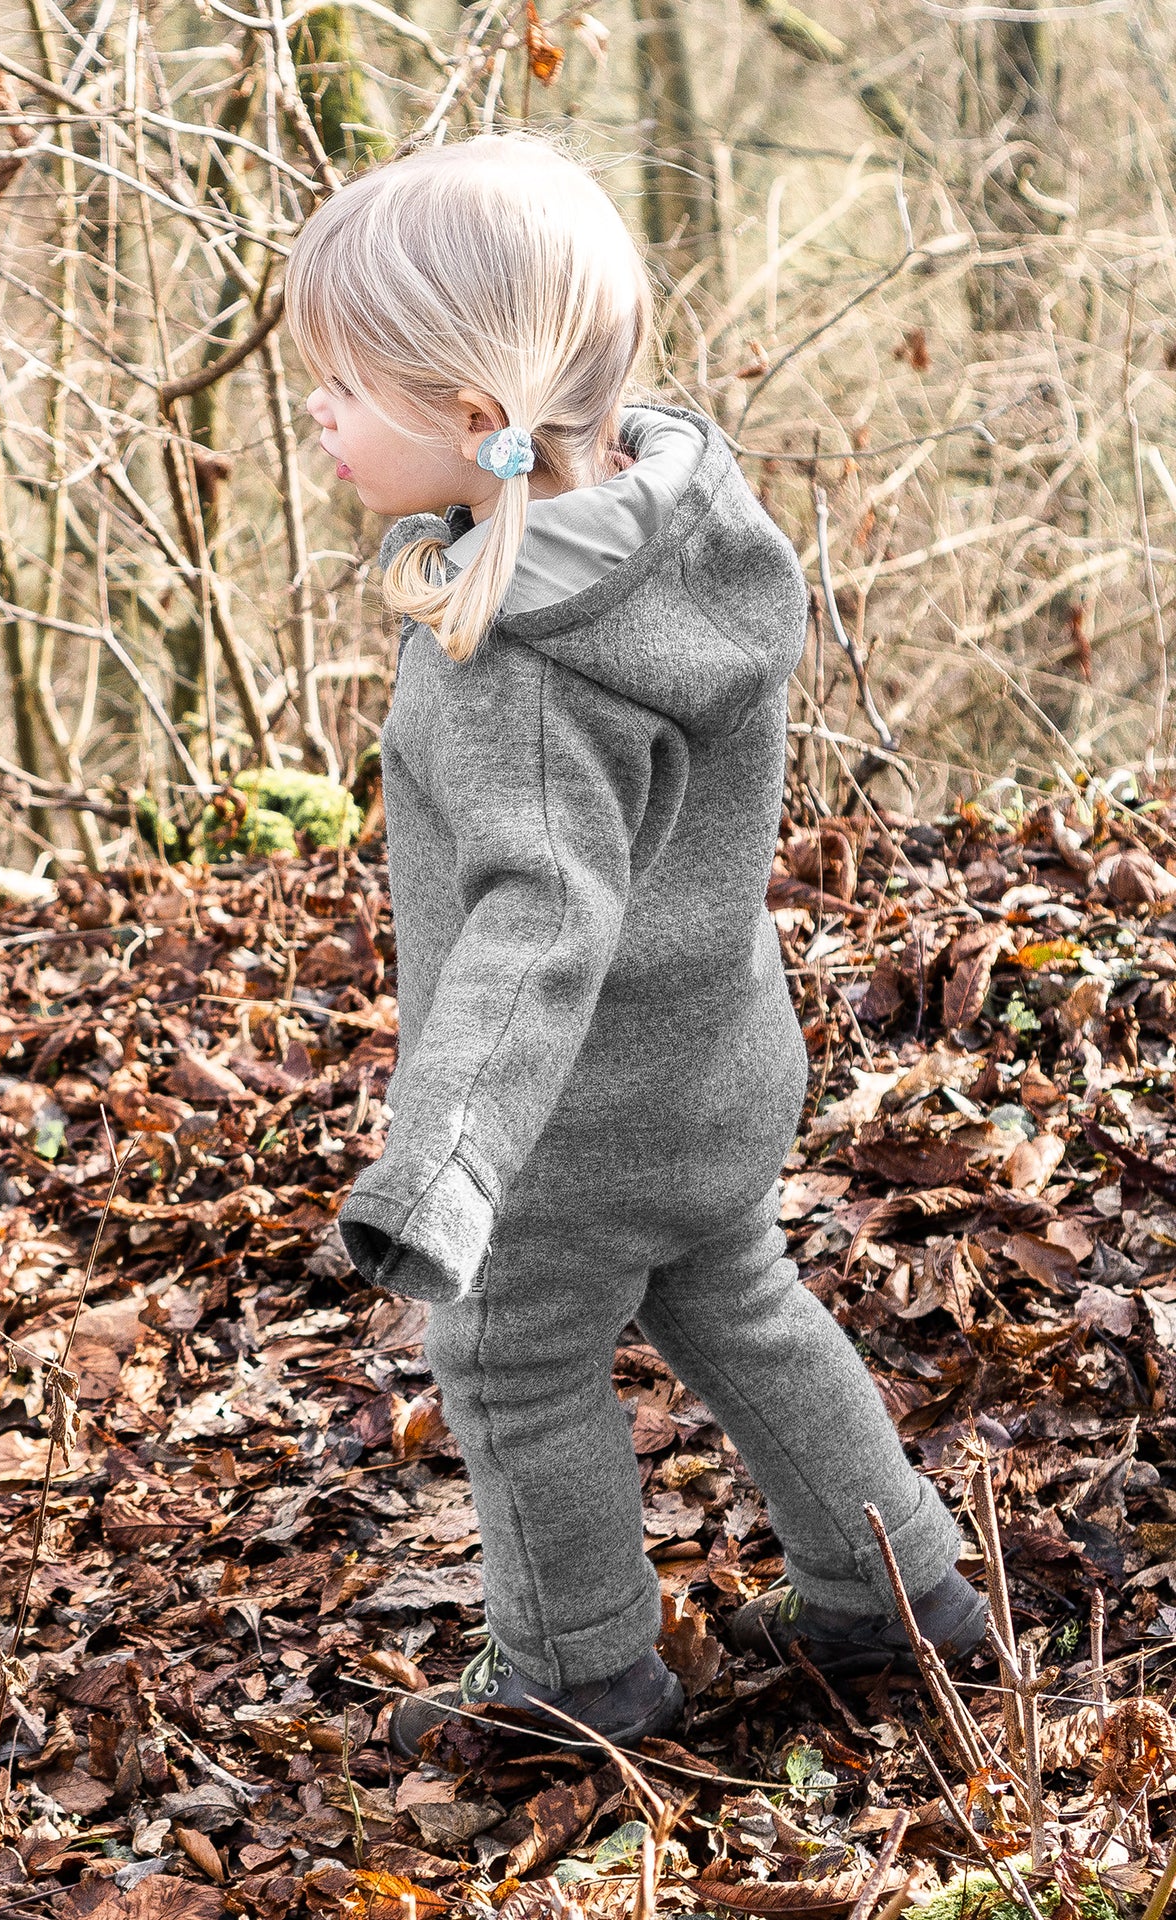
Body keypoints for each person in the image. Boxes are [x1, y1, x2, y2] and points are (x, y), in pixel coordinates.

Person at [284, 129, 988, 1759]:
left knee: (516, 1365)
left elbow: (539, 924)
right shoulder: (690, 518)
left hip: (571, 1115)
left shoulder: (514, 667)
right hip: (724, 1055)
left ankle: (577, 1677)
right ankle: (905, 1601)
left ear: (475, 417)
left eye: (345, 384)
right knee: (738, 1296)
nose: (316, 412)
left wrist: (445, 1162)